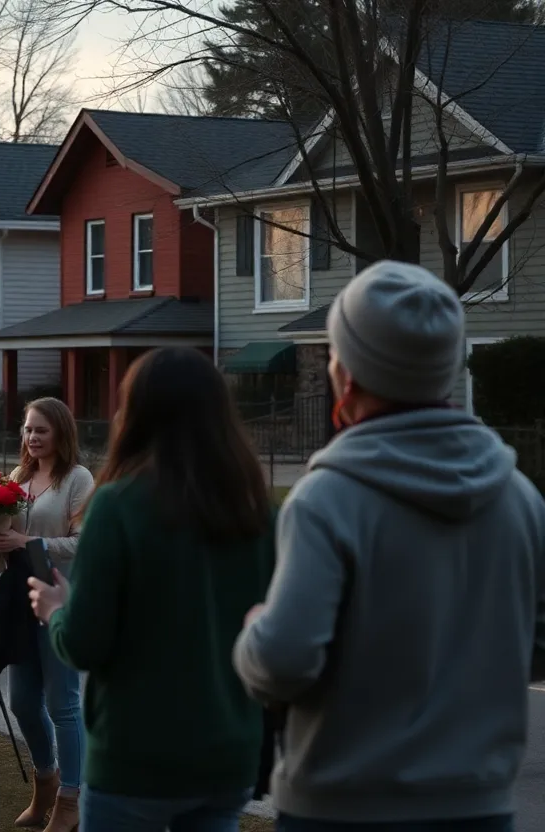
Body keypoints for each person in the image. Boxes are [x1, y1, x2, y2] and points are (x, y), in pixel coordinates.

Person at [234, 261, 545, 832]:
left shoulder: (327, 499)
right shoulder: (520, 497)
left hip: (342, 808)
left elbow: (283, 660)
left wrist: (255, 631)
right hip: (480, 807)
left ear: (348, 375)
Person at [29, 348, 275, 832]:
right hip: (227, 750)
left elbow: (85, 642)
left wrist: (57, 610)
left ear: (135, 412)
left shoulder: (118, 507)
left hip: (134, 755)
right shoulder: (260, 513)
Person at [0, 397, 94, 832]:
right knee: (23, 701)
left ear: (61, 432)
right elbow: (4, 552)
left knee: (62, 703)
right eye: (27, 429)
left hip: (60, 598)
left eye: (41, 429)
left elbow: (84, 544)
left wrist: (25, 543)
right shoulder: (17, 477)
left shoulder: (78, 480)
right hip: (19, 600)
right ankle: (46, 778)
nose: (32, 437)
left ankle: (70, 799)